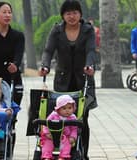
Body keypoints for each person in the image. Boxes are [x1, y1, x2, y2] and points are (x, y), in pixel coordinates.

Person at [38, 1, 97, 159]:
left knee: (82, 119)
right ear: (63, 15)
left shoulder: (88, 30)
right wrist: (45, 66)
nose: (72, 16)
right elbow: (48, 50)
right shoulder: (57, 30)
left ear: (80, 14)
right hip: (62, 80)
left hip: (83, 79)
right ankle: (63, 151)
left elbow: (91, 50)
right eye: (68, 13)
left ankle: (83, 153)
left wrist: (89, 65)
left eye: (75, 12)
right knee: (61, 117)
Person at [41, 95, 77, 160]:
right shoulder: (53, 115)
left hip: (65, 136)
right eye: (64, 108)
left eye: (70, 108)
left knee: (67, 143)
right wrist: (47, 133)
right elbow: (46, 124)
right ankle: (47, 156)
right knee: (47, 143)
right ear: (58, 109)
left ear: (73, 108)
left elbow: (74, 129)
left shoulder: (73, 118)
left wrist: (73, 137)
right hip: (52, 135)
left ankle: (63, 156)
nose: (67, 110)